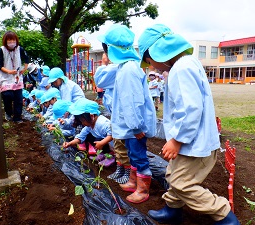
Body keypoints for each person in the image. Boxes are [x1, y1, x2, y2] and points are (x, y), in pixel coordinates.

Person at [138, 24, 240, 224]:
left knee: (181, 182)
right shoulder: (185, 64)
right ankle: (172, 210)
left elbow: (191, 109)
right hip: (191, 140)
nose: (150, 66)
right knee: (172, 173)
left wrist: (176, 139)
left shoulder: (181, 69)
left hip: (194, 143)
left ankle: (225, 216)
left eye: (149, 61)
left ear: (159, 53)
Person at [98, 24, 156, 204]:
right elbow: (101, 80)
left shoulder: (129, 69)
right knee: (132, 155)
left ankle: (143, 189)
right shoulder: (124, 67)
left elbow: (133, 102)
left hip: (134, 126)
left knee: (139, 157)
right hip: (130, 125)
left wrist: (136, 126)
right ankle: (133, 181)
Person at [94, 49, 131, 184]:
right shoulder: (116, 68)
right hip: (116, 117)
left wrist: (104, 64)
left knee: (123, 146)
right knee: (118, 145)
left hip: (123, 118)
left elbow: (100, 80)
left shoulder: (117, 69)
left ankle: (127, 171)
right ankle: (120, 169)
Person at [62, 98, 115, 166]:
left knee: (102, 141)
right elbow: (80, 137)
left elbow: (112, 135)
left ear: (91, 116)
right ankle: (103, 153)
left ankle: (111, 156)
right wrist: (69, 143)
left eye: (83, 120)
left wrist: (102, 143)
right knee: (91, 138)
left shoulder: (103, 123)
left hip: (114, 143)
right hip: (105, 142)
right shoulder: (89, 126)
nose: (82, 123)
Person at [0, 30, 29, 123]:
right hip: (5, 77)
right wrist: (9, 71)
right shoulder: (1, 50)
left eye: (13, 40)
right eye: (9, 41)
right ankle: (8, 112)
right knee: (7, 95)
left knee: (18, 98)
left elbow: (26, 58)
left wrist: (24, 68)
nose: (11, 43)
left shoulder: (20, 49)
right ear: (5, 41)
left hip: (17, 77)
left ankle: (17, 118)